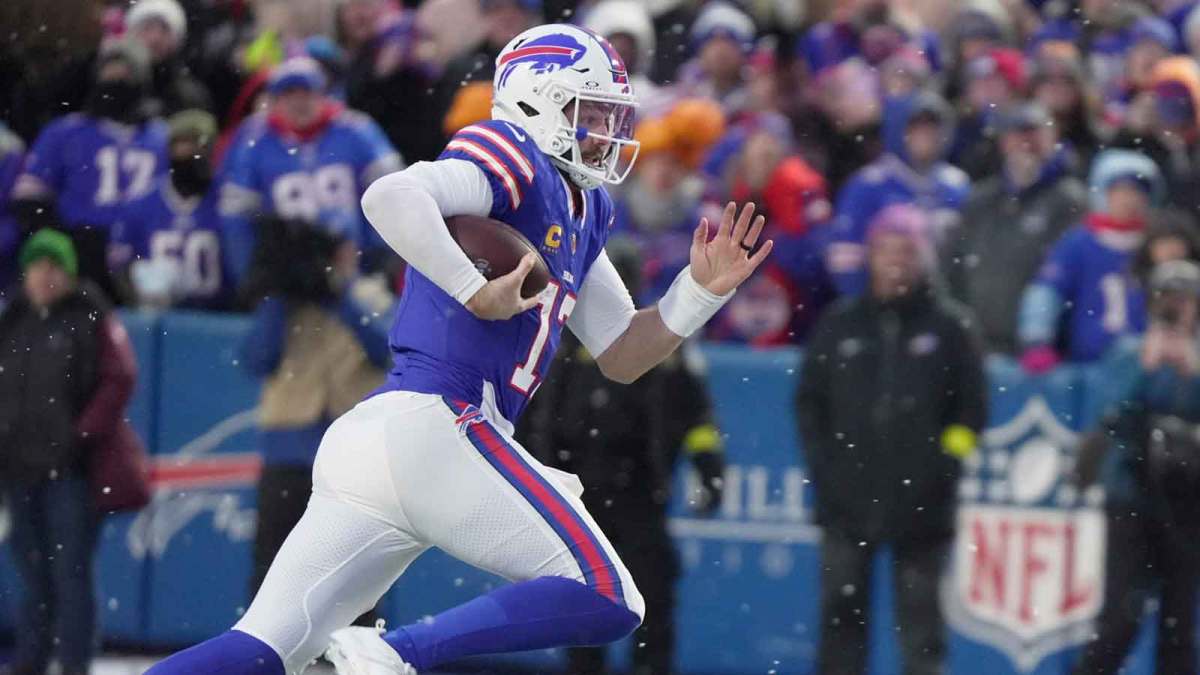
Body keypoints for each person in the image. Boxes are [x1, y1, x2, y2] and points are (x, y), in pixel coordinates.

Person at [145, 22, 772, 675]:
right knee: (608, 592)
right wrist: (475, 288)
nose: (605, 133)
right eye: (592, 113)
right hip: (440, 421)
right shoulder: (511, 151)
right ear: (540, 101)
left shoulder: (582, 204)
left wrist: (697, 293)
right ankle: (390, 651)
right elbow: (390, 196)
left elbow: (621, 351)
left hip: (384, 435)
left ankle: (378, 651)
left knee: (263, 648)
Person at [796, 204, 987, 675]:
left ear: (924, 257)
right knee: (840, 623)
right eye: (886, 249)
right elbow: (809, 403)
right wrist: (825, 464)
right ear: (870, 255)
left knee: (921, 629)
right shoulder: (841, 322)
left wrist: (946, 464)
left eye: (908, 250)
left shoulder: (950, 327)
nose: (896, 260)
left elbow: (971, 408)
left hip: (924, 504)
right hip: (846, 500)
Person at [519, 241, 725, 675]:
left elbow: (695, 416)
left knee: (650, 604)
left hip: (640, 493)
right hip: (579, 494)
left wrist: (710, 469)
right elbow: (532, 413)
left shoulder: (660, 342)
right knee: (583, 608)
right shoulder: (563, 338)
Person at [0, 230, 139, 675]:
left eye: (52, 266)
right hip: (20, 470)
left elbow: (119, 379)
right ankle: (31, 661)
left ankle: (74, 664)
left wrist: (78, 436)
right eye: (36, 266)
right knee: (33, 574)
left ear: (67, 273)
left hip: (71, 473)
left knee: (70, 574)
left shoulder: (89, 315)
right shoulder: (14, 318)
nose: (43, 275)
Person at [237, 216, 395, 604]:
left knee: (354, 571)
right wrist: (279, 298)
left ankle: (349, 656)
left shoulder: (370, 299)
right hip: (288, 451)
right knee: (274, 566)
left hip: (350, 452)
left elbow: (386, 352)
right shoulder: (283, 304)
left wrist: (339, 300)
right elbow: (258, 360)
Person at [1071, 260, 1200, 674]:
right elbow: (1108, 419)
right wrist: (1145, 371)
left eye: (1184, 302)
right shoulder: (1128, 352)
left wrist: (1190, 373)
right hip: (1132, 496)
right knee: (1119, 621)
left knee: (1179, 626)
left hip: (1187, 502)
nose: (1176, 310)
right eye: (1167, 300)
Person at [218, 57, 403, 284]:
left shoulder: (356, 132)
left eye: (306, 92)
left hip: (354, 271)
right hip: (287, 279)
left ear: (323, 94)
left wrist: (382, 260)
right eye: (289, 94)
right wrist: (251, 275)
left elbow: (395, 194)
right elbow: (236, 217)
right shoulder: (255, 142)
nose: (298, 102)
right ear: (275, 101)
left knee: (376, 312)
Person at [10, 39, 169, 298]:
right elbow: (29, 200)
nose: (116, 80)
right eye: (109, 72)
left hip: (145, 253)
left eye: (125, 73)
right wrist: (66, 240)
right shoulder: (66, 132)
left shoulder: (160, 136)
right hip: (81, 251)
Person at [943, 102, 1089, 354]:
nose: (1026, 142)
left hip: (1044, 349)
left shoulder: (1069, 201)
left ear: (1052, 139)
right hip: (980, 344)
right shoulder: (980, 199)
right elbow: (952, 267)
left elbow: (1077, 275)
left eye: (1034, 133)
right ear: (1003, 141)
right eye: (1018, 134)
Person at [1018, 149, 1165, 371]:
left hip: (1147, 364)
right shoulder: (1078, 243)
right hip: (1088, 366)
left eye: (1138, 191)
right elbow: (1047, 293)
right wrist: (1037, 340)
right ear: (1102, 193)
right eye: (1120, 190)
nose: (1130, 199)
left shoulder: (1156, 243)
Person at [826, 89, 969, 297]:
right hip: (881, 306)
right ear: (899, 130)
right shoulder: (868, 185)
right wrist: (870, 310)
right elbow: (845, 259)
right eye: (916, 128)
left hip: (940, 310)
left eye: (932, 128)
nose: (925, 136)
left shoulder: (958, 186)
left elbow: (969, 258)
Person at [107, 109, 232, 310]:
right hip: (162, 320)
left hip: (218, 318)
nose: (193, 153)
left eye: (199, 145)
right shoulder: (141, 204)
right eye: (185, 145)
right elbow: (120, 264)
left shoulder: (228, 199)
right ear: (170, 149)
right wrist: (140, 301)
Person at [123, 0, 212, 116]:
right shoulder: (117, 84)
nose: (155, 38)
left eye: (165, 29)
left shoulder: (190, 95)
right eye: (147, 28)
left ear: (177, 39)